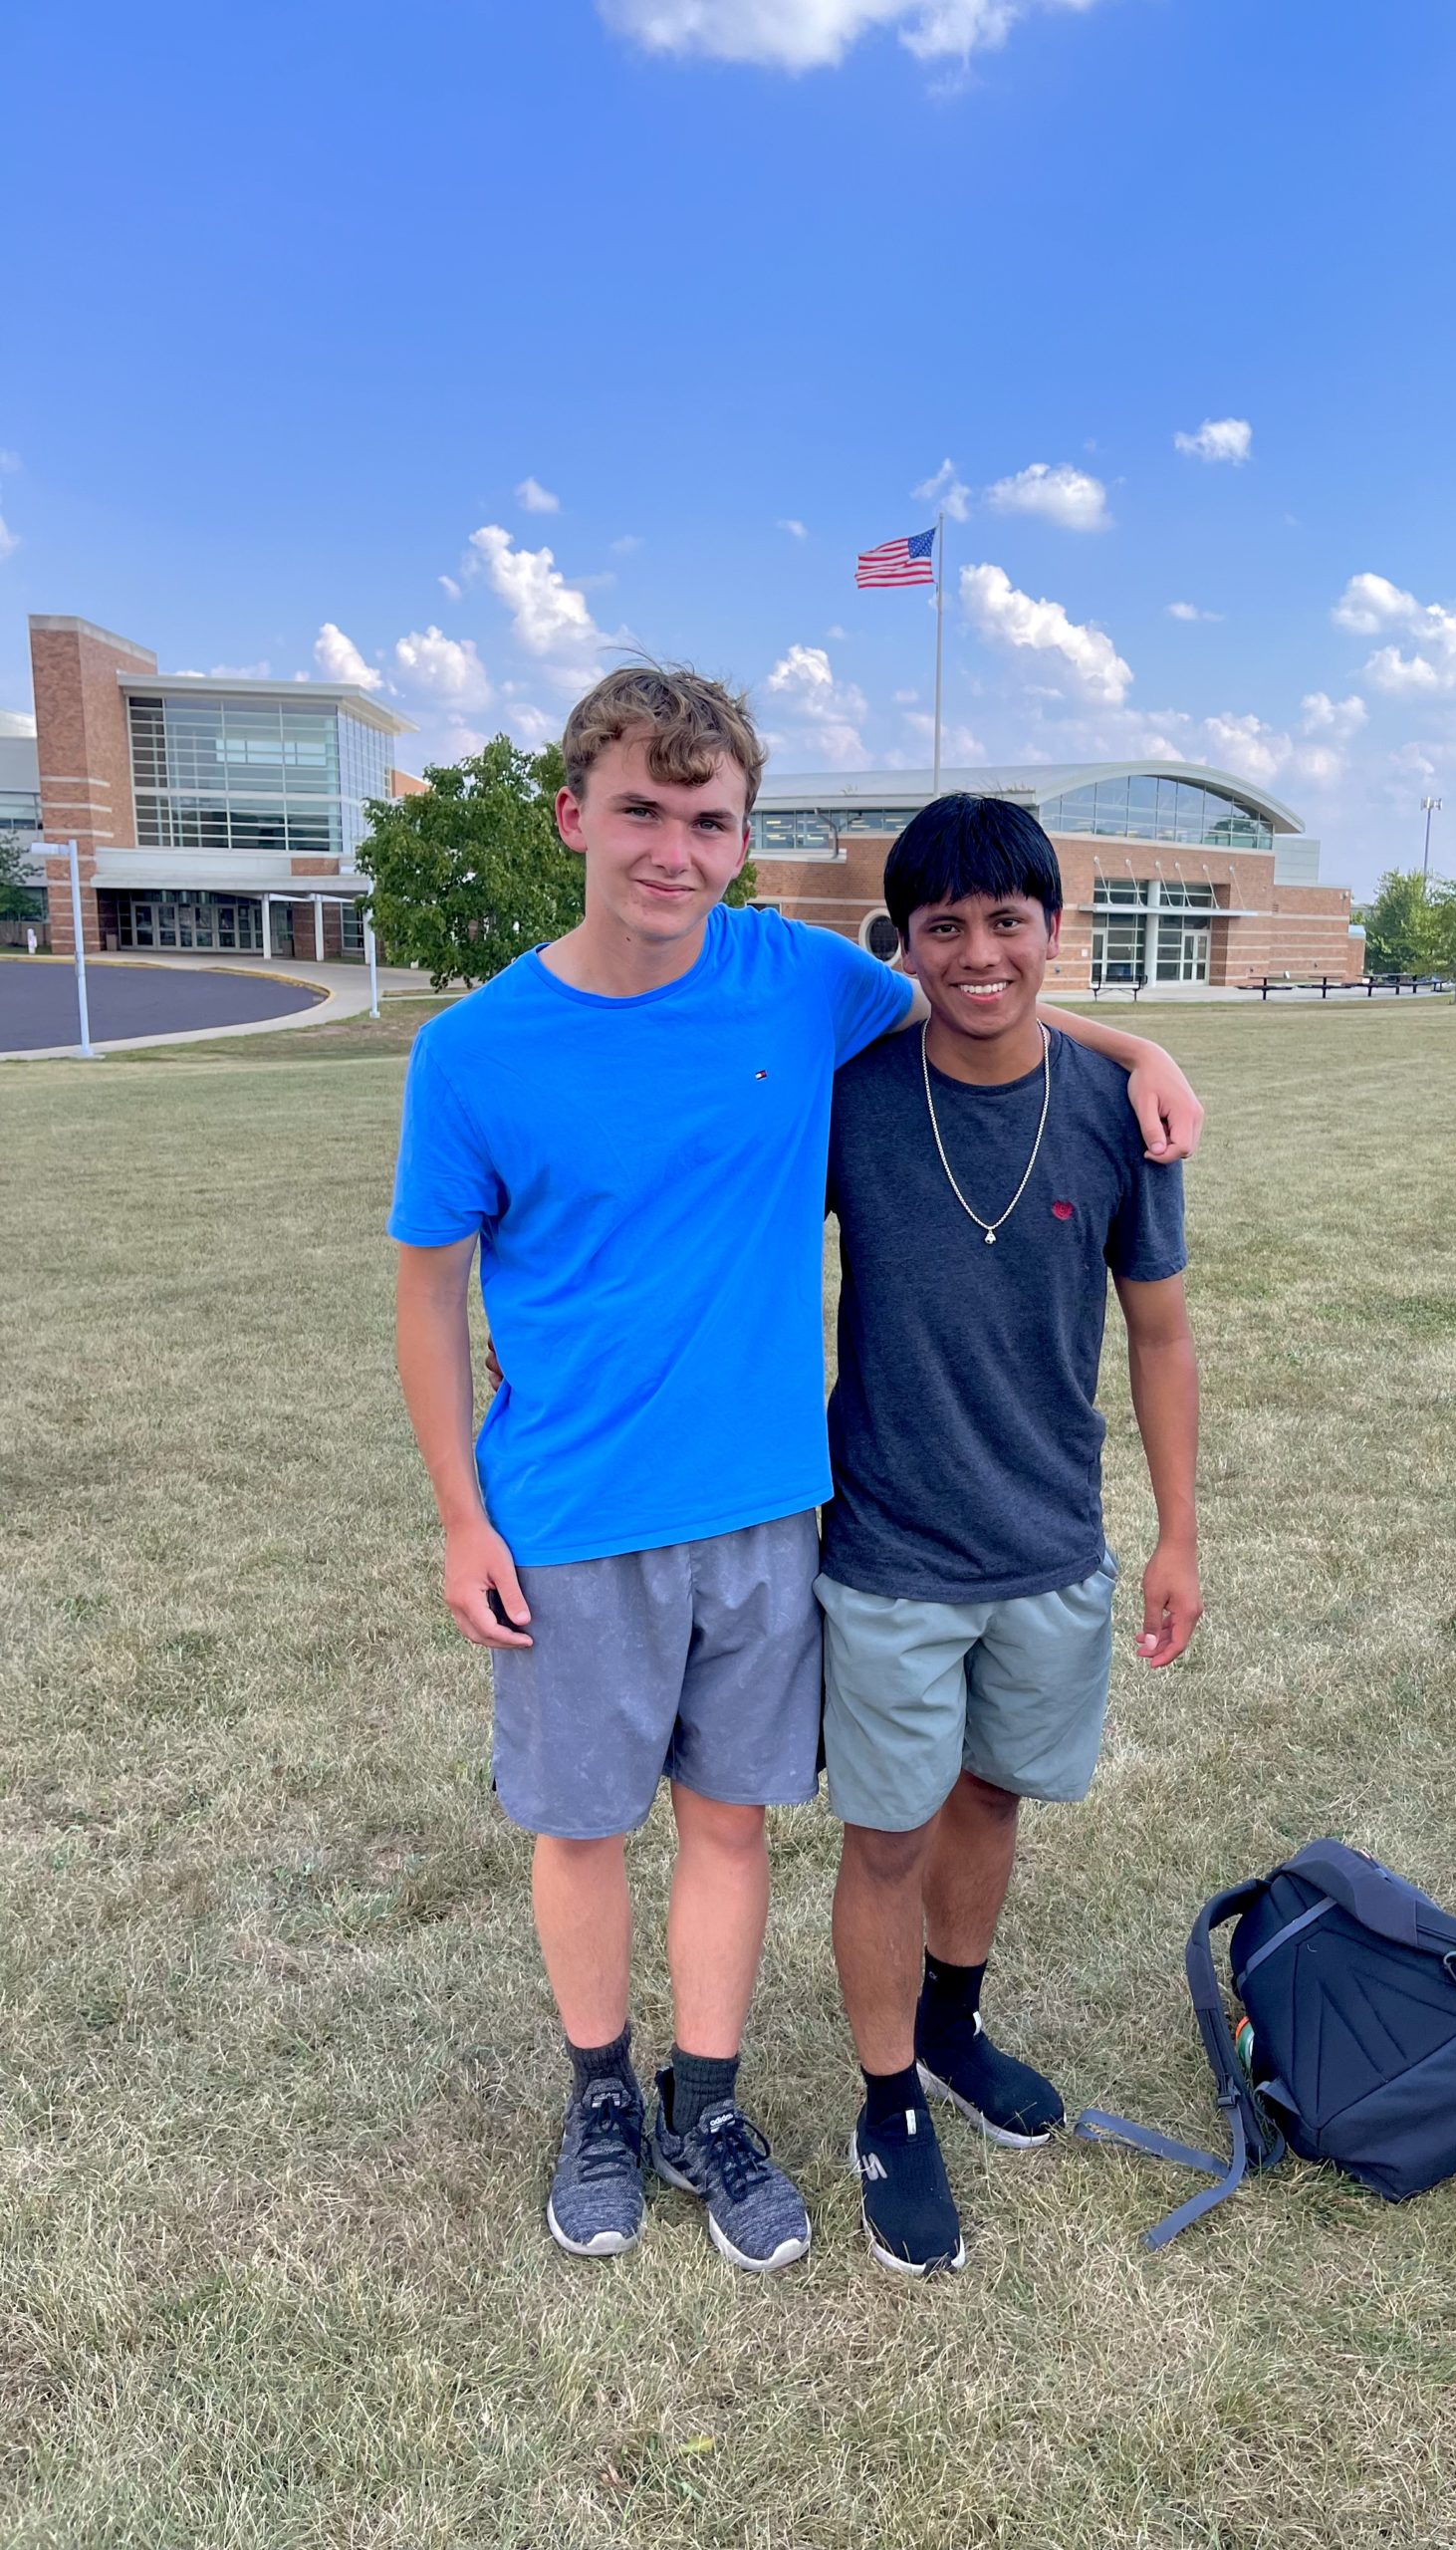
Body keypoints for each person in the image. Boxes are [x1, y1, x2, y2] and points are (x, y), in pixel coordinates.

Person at [387, 667, 1201, 2276]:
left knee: (736, 1829)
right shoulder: (475, 1051)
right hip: (568, 1513)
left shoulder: (786, 978)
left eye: (708, 821)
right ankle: (602, 2098)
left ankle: (714, 2098)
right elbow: (427, 1291)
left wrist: (1139, 1042)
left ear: (745, 841)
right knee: (581, 1829)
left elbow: (985, 996)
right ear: (575, 816)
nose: (672, 850)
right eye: (640, 811)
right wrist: (461, 1515)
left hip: (773, 1510)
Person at [820, 795, 1202, 2277]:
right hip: (892, 1550)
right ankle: (886, 2105)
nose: (979, 954)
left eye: (1007, 923)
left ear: (1056, 933)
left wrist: (1177, 1534)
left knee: (992, 1803)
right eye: (945, 927)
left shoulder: (1123, 1117)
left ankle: (953, 2029)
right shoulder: (851, 1095)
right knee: (888, 1832)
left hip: (1052, 1543)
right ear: (905, 942)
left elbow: (1160, 1337)